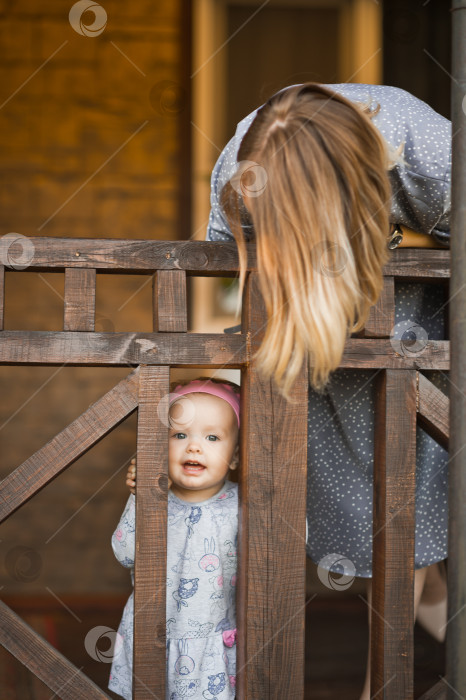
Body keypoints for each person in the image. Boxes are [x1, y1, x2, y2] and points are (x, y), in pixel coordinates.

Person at [206, 83, 450, 699]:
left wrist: (398, 256)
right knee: (375, 521)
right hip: (304, 339)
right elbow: (223, 267)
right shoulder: (236, 175)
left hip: (424, 333)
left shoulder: (426, 148)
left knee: (418, 509)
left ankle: (380, 688)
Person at [109, 378, 240, 700]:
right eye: (179, 434)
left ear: (235, 457)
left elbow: (280, 552)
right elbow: (124, 552)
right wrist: (140, 497)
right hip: (150, 635)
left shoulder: (242, 504)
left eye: (212, 437)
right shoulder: (155, 500)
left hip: (212, 639)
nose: (194, 446)